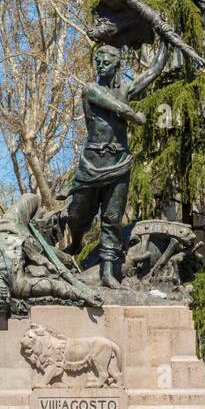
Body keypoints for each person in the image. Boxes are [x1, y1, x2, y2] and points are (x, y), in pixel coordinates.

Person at [61, 41, 168, 288]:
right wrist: (133, 115)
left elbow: (152, 73)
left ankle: (108, 272)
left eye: (106, 62)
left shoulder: (126, 91)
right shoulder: (90, 90)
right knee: (78, 215)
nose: (101, 66)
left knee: (112, 219)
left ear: (117, 65)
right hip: (92, 163)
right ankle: (75, 242)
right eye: (98, 62)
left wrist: (165, 42)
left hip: (119, 162)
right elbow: (116, 106)